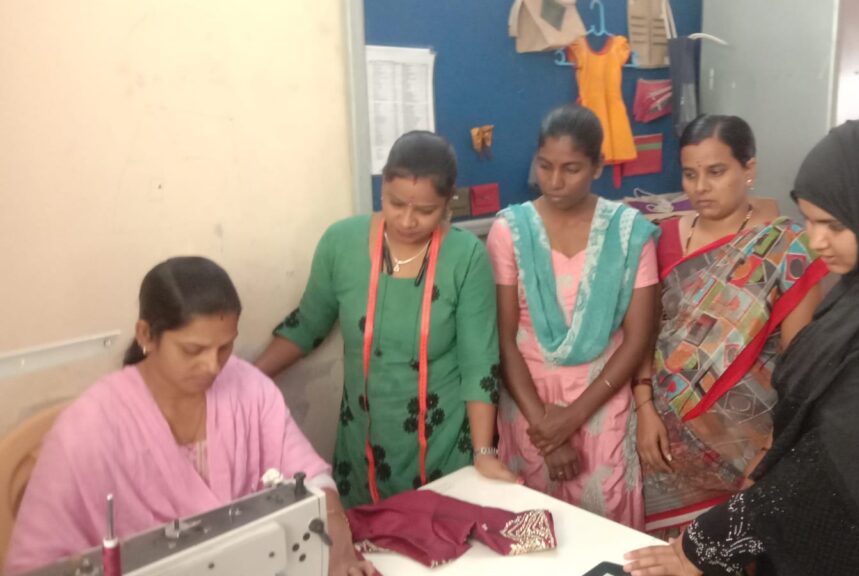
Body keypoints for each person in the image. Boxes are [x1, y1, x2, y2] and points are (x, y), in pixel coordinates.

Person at [624, 119, 859, 575]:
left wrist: (707, 543)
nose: (815, 240)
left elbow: (831, 471)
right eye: (809, 219)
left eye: (834, 224)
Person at [5, 257, 373, 576]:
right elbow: (36, 563)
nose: (212, 366)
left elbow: (312, 476)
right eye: (192, 350)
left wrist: (338, 544)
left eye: (225, 347)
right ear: (146, 334)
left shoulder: (248, 387)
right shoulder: (87, 428)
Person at [255, 131, 516, 508]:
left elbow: (480, 363)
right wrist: (247, 379)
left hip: (444, 448)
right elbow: (307, 325)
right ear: (382, 190)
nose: (408, 220)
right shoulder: (340, 243)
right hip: (363, 449)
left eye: (425, 210)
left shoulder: (467, 257)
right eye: (396, 203)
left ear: (447, 203)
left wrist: (483, 452)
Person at [636, 115, 825, 533]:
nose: (700, 187)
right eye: (690, 174)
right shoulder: (659, 238)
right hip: (661, 439)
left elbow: (799, 368)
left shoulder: (788, 248)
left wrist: (771, 451)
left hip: (746, 443)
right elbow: (642, 337)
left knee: (723, 553)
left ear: (749, 170)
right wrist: (643, 408)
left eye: (716, 172)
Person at [486, 104, 659, 530]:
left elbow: (638, 338)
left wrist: (574, 416)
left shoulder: (630, 233)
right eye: (545, 166)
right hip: (529, 404)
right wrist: (546, 428)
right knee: (530, 532)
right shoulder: (510, 230)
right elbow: (504, 338)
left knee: (606, 532)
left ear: (598, 165)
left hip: (602, 401)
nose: (555, 181)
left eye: (571, 168)